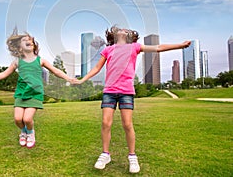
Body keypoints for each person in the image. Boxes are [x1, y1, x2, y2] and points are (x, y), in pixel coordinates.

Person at [74, 26, 191, 173]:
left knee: (127, 124)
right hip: (109, 91)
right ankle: (105, 154)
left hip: (126, 92)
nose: (123, 30)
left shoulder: (134, 47)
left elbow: (159, 47)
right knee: (105, 122)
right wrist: (82, 79)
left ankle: (132, 156)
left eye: (126, 30)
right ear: (114, 35)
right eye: (120, 29)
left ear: (130, 36)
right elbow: (97, 68)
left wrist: (180, 45)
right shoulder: (108, 50)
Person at [0, 31, 75, 148]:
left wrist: (68, 78)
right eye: (25, 41)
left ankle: (30, 133)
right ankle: (23, 132)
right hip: (21, 93)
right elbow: (4, 74)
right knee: (18, 119)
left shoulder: (40, 61)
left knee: (27, 119)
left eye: (30, 40)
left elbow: (56, 71)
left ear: (34, 45)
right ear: (19, 47)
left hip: (35, 93)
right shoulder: (17, 62)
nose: (29, 42)